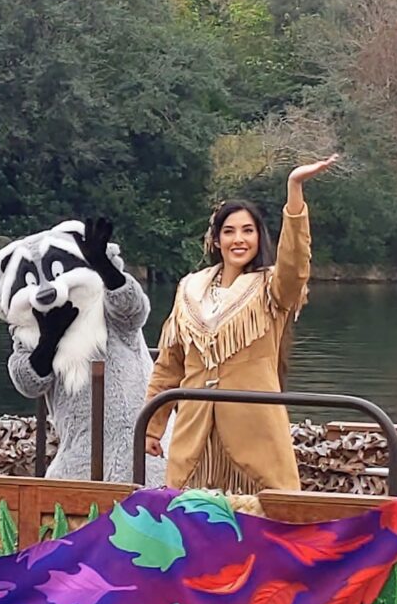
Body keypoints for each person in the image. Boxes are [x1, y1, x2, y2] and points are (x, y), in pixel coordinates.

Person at [144, 156, 338, 492]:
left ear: (258, 238)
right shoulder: (189, 289)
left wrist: (294, 189)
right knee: (191, 523)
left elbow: (295, 265)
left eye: (248, 231)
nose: (239, 240)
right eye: (229, 231)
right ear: (216, 240)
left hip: (254, 434)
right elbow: (169, 365)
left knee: (260, 521)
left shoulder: (272, 289)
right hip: (195, 435)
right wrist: (152, 426)